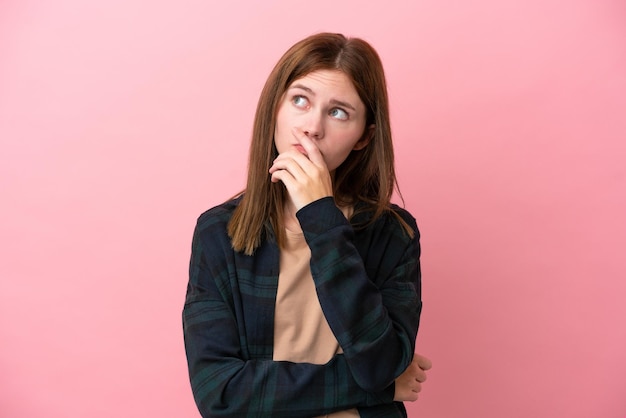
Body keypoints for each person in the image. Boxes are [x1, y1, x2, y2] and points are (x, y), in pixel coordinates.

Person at [183, 32, 432, 418]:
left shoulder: (393, 234)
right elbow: (220, 394)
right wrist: (377, 389)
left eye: (338, 112)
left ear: (364, 137)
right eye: (300, 100)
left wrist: (320, 216)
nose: (312, 127)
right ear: (275, 109)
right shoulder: (218, 233)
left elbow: (378, 364)